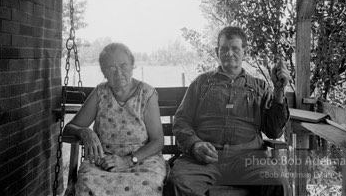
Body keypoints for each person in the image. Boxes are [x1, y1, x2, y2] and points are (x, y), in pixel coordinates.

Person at [165, 26, 291, 196]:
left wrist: (278, 91)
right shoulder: (201, 83)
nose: (229, 53)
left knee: (277, 184)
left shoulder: (259, 86)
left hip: (249, 159)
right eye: (224, 48)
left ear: (244, 52)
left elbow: (274, 131)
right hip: (203, 159)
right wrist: (195, 145)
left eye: (235, 48)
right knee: (178, 183)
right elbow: (181, 121)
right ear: (217, 51)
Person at [63, 43, 166, 196]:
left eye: (123, 65)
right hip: (103, 162)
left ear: (132, 65)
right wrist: (84, 132)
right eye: (111, 68)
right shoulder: (100, 93)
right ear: (103, 72)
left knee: (147, 186)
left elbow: (158, 140)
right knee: (87, 184)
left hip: (141, 160)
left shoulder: (146, 93)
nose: (118, 73)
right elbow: (68, 131)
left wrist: (130, 160)